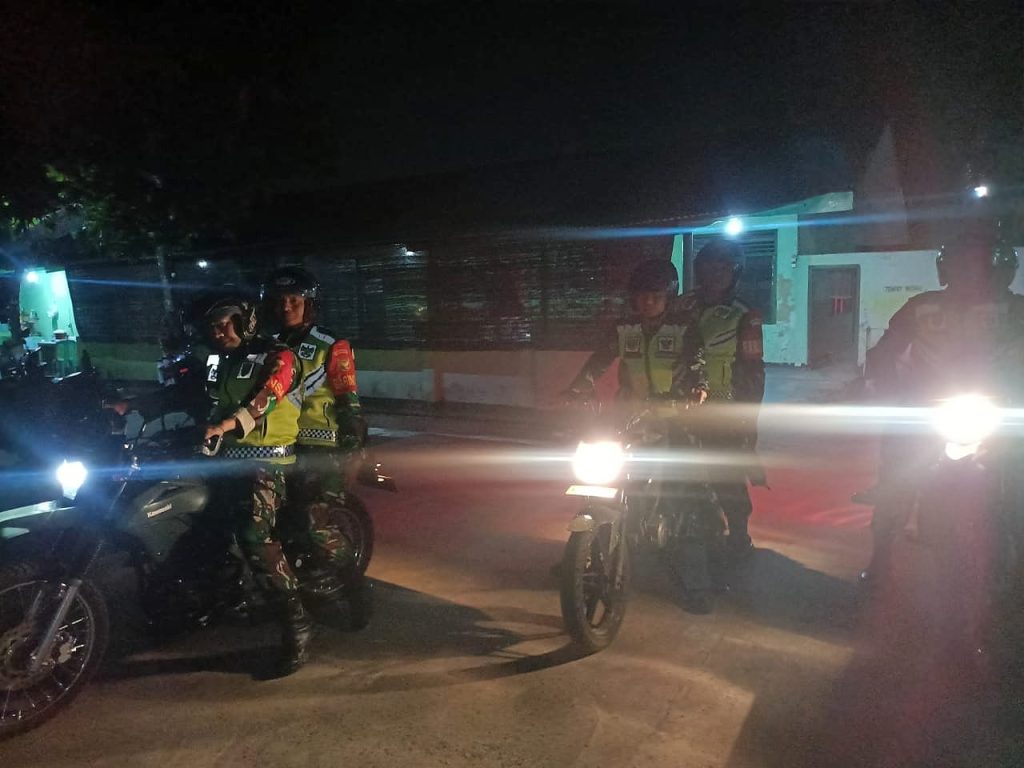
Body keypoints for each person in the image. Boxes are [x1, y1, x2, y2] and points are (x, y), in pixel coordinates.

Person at [859, 230, 1024, 585]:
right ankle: (880, 557)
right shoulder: (922, 307)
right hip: (927, 408)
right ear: (946, 269)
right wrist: (883, 385)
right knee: (896, 478)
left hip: (1001, 409)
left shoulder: (1018, 310)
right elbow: (883, 352)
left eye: (978, 266)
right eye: (962, 265)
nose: (970, 274)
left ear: (1000, 270)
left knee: (1017, 484)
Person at [565, 258, 711, 609]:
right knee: (601, 484)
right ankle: (582, 560)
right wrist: (578, 387)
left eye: (655, 296)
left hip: (673, 419)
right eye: (642, 296)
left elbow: (697, 364)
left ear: (668, 298)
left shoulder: (683, 328)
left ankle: (695, 583)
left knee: (685, 497)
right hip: (629, 418)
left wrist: (697, 388)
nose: (648, 302)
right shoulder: (623, 328)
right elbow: (599, 360)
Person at [201, 296, 312, 676]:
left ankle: (297, 626)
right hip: (228, 460)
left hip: (269, 462)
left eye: (226, 323)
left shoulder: (279, 356)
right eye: (214, 327)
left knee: (254, 536)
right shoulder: (222, 362)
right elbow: (209, 402)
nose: (219, 332)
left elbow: (266, 397)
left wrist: (226, 425)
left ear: (247, 321)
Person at [260, 267, 365, 582]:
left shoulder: (330, 344)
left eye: (294, 300)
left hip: (321, 446)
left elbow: (348, 397)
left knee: (310, 520)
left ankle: (349, 573)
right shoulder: (265, 345)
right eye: (280, 300)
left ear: (309, 303)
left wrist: (352, 443)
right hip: (276, 444)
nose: (286, 307)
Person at [676, 238, 766, 560]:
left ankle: (739, 535)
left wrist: (747, 417)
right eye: (708, 269)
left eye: (722, 269)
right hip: (676, 401)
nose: (714, 276)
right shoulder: (682, 305)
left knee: (725, 474)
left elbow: (753, 370)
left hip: (722, 405)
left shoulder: (743, 315)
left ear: (734, 273)